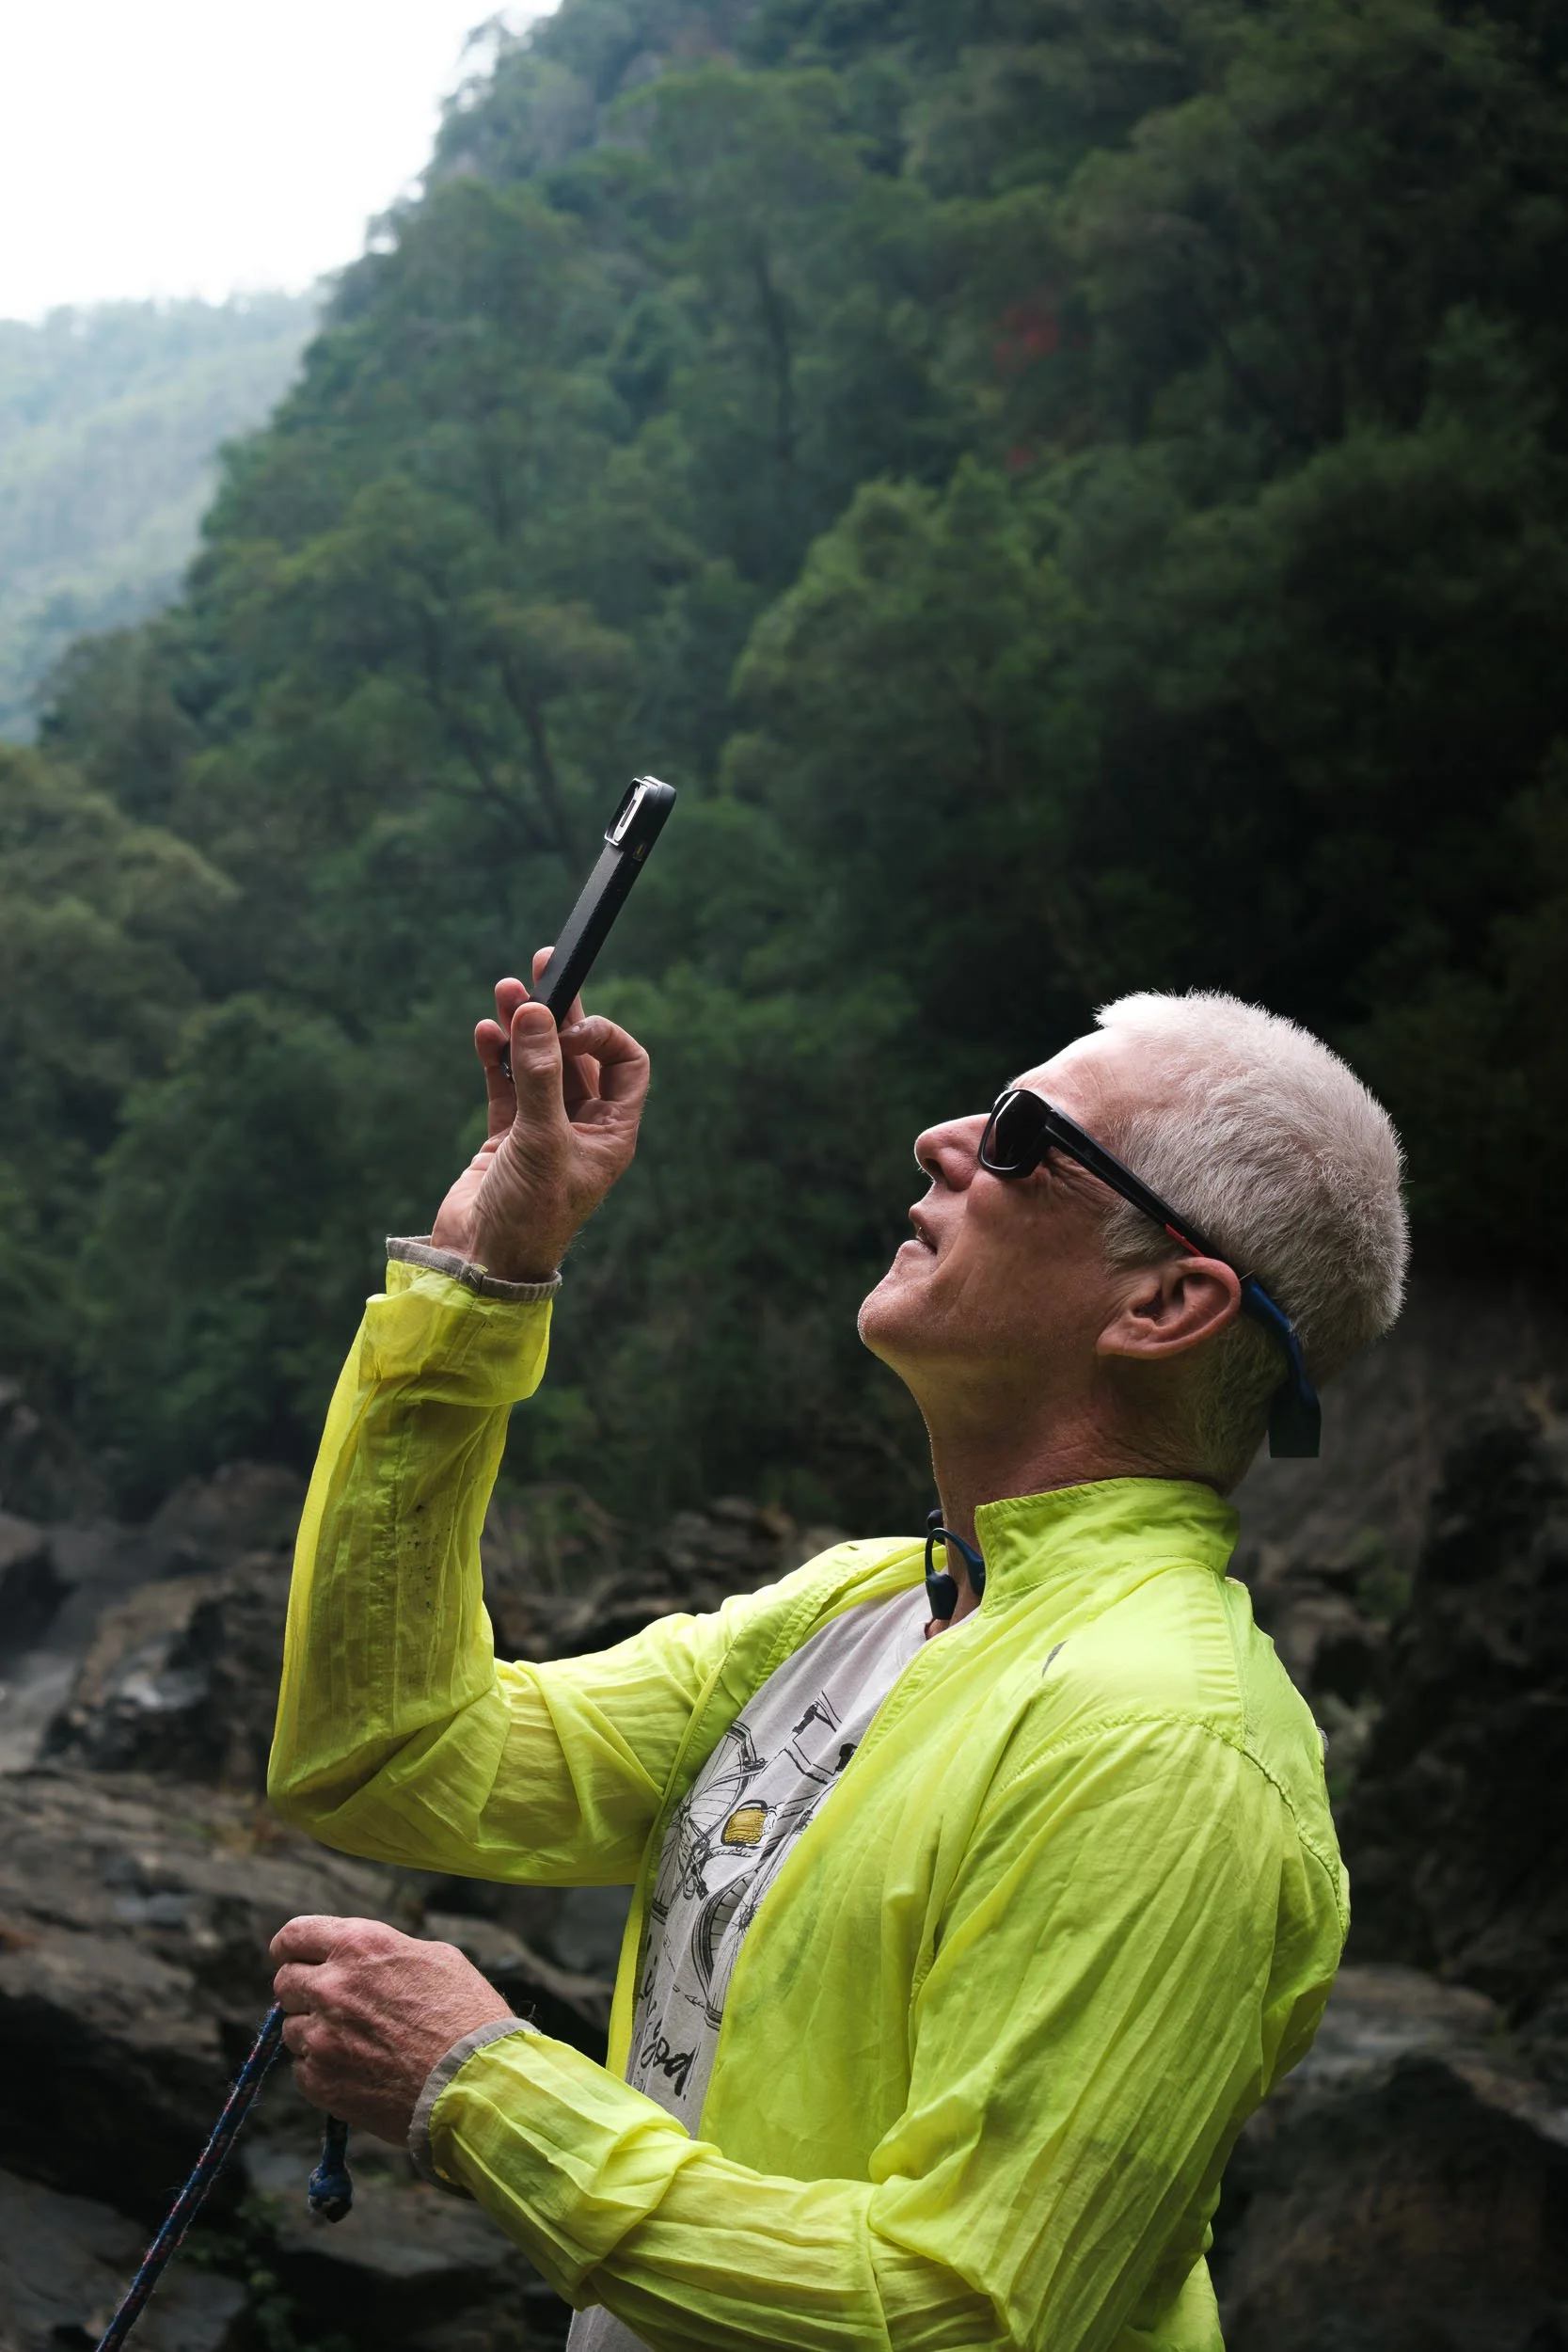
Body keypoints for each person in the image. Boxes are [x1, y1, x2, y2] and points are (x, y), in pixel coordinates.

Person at [266, 971, 1406, 2352]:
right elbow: (388, 1759)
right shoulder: (864, 1607)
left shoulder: (1162, 1746)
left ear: (1165, 1301)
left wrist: (481, 2089)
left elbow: (966, 2314)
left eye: (1017, 1138)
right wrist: (482, 1283)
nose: (942, 1139)